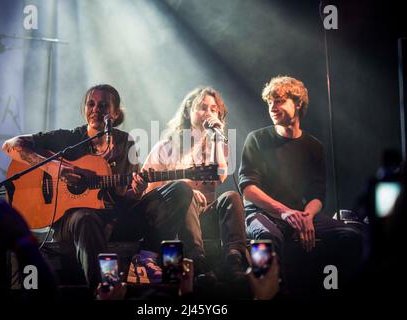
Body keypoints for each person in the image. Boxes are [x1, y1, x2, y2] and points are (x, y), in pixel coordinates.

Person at [2, 84, 193, 292]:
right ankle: (104, 291)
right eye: (90, 104)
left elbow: (126, 198)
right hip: (74, 222)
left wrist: (136, 191)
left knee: (180, 189)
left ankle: (148, 261)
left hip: (116, 220)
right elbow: (11, 145)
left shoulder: (124, 142)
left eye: (103, 105)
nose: (95, 110)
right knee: (86, 217)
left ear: (115, 112)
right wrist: (56, 169)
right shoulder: (69, 139)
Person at [238, 76, 363, 293]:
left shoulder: (314, 146)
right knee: (267, 239)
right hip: (261, 213)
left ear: (298, 103)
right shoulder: (256, 139)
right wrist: (285, 212)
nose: (273, 107)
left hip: (298, 213)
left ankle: (332, 290)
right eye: (270, 102)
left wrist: (307, 217)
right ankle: (264, 294)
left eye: (279, 101)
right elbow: (248, 189)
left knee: (351, 236)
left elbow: (317, 195)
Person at [142, 87, 249, 282]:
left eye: (214, 109)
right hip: (176, 217)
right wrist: (186, 191)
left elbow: (221, 176)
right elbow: (149, 190)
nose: (208, 113)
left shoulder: (216, 147)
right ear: (188, 112)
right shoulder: (166, 147)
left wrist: (217, 139)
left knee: (231, 197)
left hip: (205, 215)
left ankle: (235, 257)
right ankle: (197, 261)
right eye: (202, 107)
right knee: (187, 195)